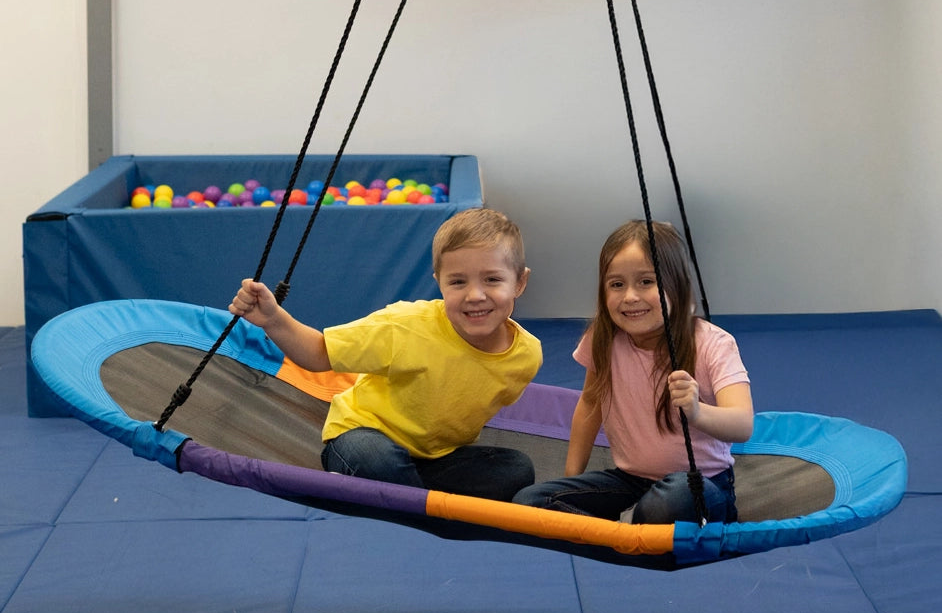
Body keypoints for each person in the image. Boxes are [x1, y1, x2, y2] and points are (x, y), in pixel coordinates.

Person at [229, 207, 542, 502]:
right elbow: (319, 354)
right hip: (363, 436)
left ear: (520, 282)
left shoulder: (526, 355)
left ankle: (399, 495)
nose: (475, 295)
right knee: (371, 457)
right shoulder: (406, 326)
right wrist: (274, 319)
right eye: (458, 282)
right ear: (440, 284)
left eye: (492, 279)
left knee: (516, 468)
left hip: (434, 458)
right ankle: (421, 507)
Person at [513, 220, 753, 524]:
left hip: (701, 485)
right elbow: (590, 404)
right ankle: (629, 526)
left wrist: (697, 411)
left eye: (646, 282)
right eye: (616, 284)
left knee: (673, 498)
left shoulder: (713, 343)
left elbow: (742, 424)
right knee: (531, 501)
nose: (629, 297)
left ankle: (633, 522)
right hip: (630, 482)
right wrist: (571, 479)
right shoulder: (604, 337)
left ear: (675, 285)